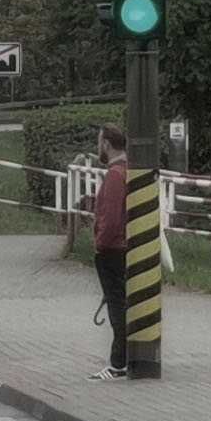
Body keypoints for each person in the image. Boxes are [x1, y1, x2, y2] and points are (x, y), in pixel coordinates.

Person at [90, 124, 135, 377]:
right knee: (121, 302)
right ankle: (123, 358)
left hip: (112, 249)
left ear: (106, 143)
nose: (98, 146)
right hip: (124, 247)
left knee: (117, 304)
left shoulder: (115, 176)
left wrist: (100, 243)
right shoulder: (129, 172)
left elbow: (110, 217)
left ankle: (119, 362)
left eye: (99, 141)